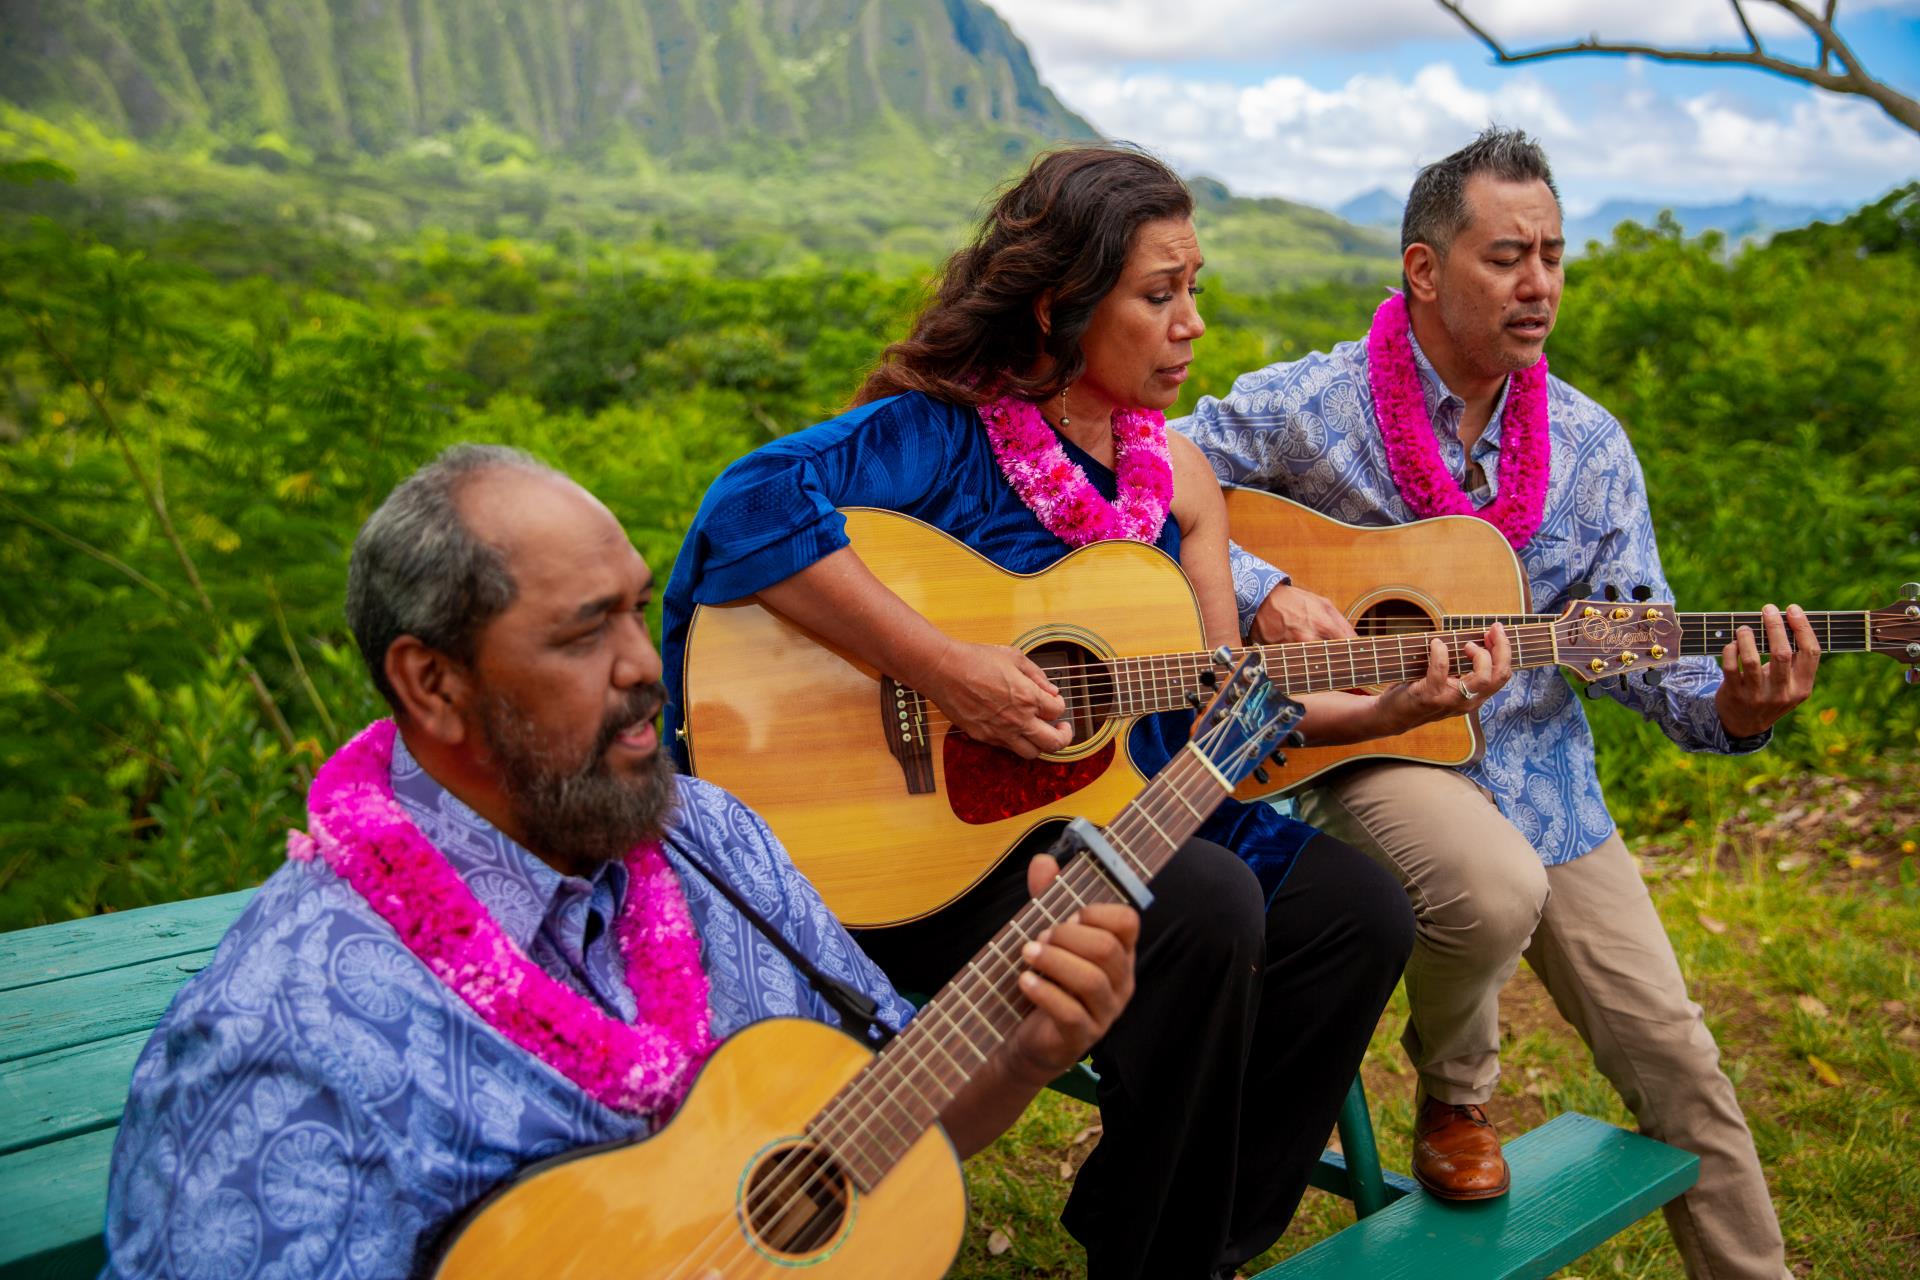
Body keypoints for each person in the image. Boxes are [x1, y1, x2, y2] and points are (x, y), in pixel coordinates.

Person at [661, 147, 1500, 1278]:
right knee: (1204, 900)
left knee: (1360, 908)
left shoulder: (1180, 483)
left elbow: (1213, 737)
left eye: (1195, 286)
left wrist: (1386, 705)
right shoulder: (943, 435)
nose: (1192, 322)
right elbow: (746, 507)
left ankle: (1172, 1234)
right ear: (1062, 304)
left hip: (1116, 814)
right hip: (928, 855)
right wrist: (950, 667)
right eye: (1161, 294)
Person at [99, 445, 1139, 1280]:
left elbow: (874, 1139)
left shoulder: (716, 838)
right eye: (583, 632)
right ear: (432, 682)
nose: (644, 664)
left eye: (636, 609)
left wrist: (1024, 1052)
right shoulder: (289, 1033)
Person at [1175, 128, 1818, 1279]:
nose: (1541, 286)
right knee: (1485, 879)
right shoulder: (1311, 404)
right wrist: (1262, 591)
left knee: (1678, 1055)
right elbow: (1152, 467)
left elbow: (1644, 648)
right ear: (1425, 270)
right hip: (1363, 749)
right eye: (1508, 256)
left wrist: (1741, 704)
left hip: (1543, 772)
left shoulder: (1588, 447)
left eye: (1556, 257)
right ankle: (1455, 1096)